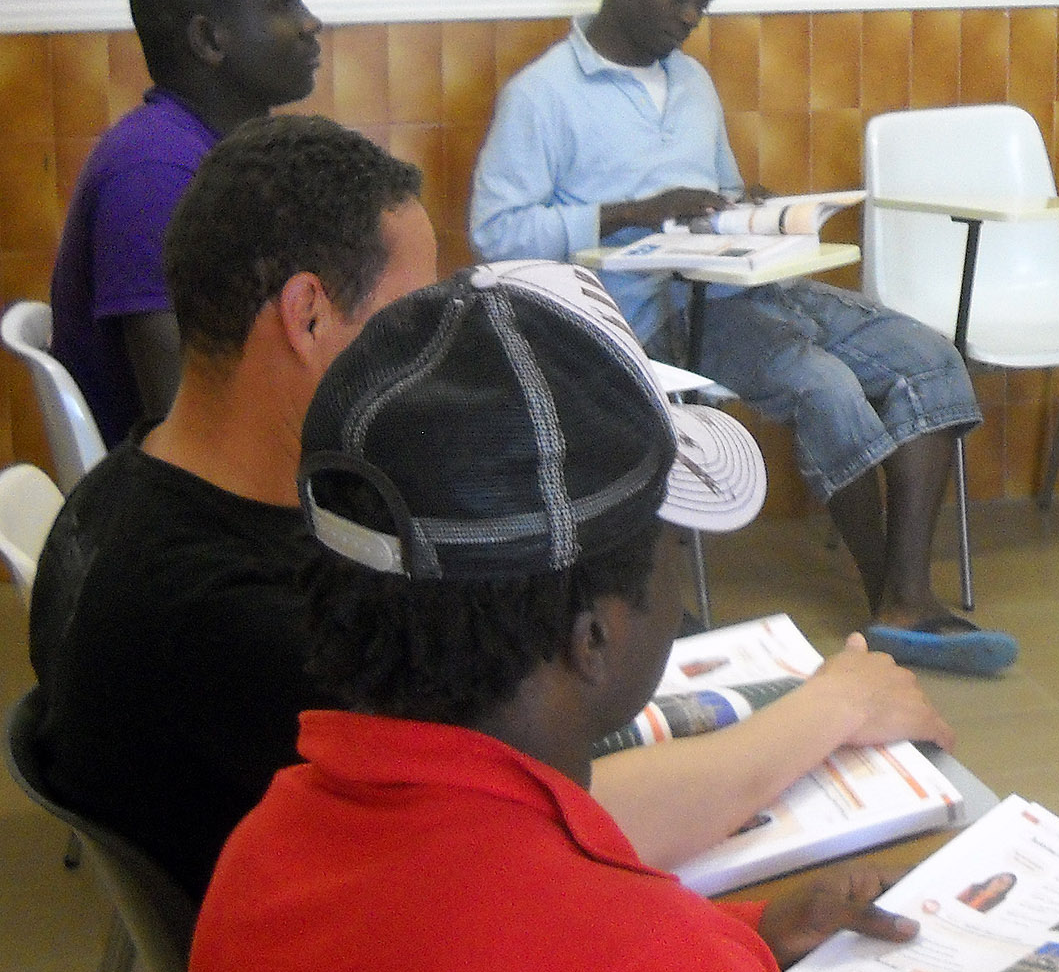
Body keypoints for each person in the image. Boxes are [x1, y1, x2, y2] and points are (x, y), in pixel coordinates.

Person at [188, 261, 1059, 972]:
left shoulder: (259, 859)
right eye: (665, 554)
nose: (682, 596)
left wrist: (744, 933)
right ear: (592, 634)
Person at [31, 113, 947, 898]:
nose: (432, 345)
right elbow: (552, 821)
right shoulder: (226, 617)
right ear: (308, 316)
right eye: (410, 314)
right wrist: (829, 709)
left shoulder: (139, 487)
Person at [471, 0, 1015, 676]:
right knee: (824, 382)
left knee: (927, 357)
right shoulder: (543, 95)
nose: (692, 18)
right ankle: (891, 600)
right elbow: (496, 232)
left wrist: (749, 208)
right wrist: (630, 212)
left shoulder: (691, 82)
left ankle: (904, 597)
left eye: (704, 3)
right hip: (650, 317)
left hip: (743, 286)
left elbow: (716, 193)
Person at [48, 0, 322, 445]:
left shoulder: (225, 154)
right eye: (284, 4)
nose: (311, 23)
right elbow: (181, 418)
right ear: (208, 40)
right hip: (170, 508)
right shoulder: (153, 174)